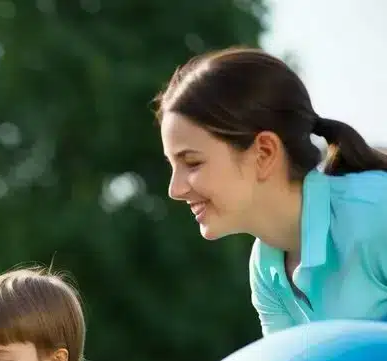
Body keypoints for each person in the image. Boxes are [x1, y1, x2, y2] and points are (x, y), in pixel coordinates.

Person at [157, 46, 387, 337]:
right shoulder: (266, 270)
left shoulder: (376, 214)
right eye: (172, 165)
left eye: (192, 162)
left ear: (264, 153)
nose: (174, 190)